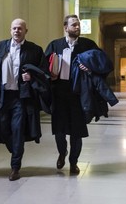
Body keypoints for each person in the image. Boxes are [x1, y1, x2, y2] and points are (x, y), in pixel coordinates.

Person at [0, 18, 48, 181]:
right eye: (14, 28)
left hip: (21, 98)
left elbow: (43, 72)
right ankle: (15, 149)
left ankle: (15, 166)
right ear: (10, 30)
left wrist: (31, 76)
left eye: (20, 29)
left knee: (17, 130)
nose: (17, 31)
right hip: (2, 96)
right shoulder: (0, 47)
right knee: (3, 128)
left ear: (26, 31)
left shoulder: (35, 50)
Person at [45, 14, 100, 175]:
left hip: (78, 95)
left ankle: (74, 162)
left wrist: (90, 69)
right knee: (59, 131)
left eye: (78, 25)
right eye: (74, 25)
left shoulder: (88, 45)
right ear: (65, 27)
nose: (77, 27)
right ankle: (62, 152)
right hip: (59, 93)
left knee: (76, 132)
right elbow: (44, 66)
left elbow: (100, 64)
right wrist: (51, 75)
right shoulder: (55, 45)